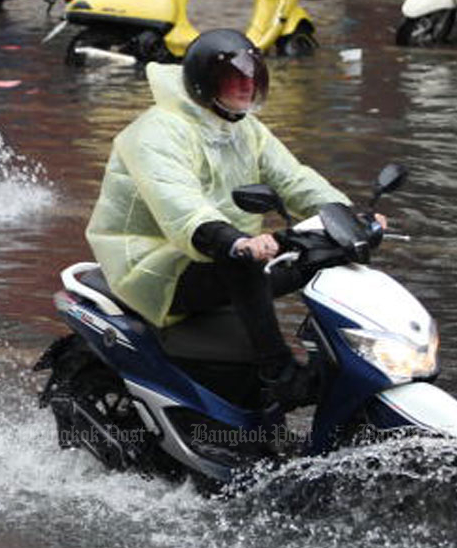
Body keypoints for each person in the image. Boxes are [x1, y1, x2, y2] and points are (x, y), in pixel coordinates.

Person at [85, 29, 374, 414]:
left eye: (252, 75)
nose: (246, 84)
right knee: (246, 267)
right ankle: (281, 377)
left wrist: (347, 216)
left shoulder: (244, 128)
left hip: (219, 252)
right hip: (156, 264)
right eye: (233, 76)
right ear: (204, 82)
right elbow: (180, 204)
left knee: (319, 256)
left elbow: (293, 179)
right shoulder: (158, 131)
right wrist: (234, 241)